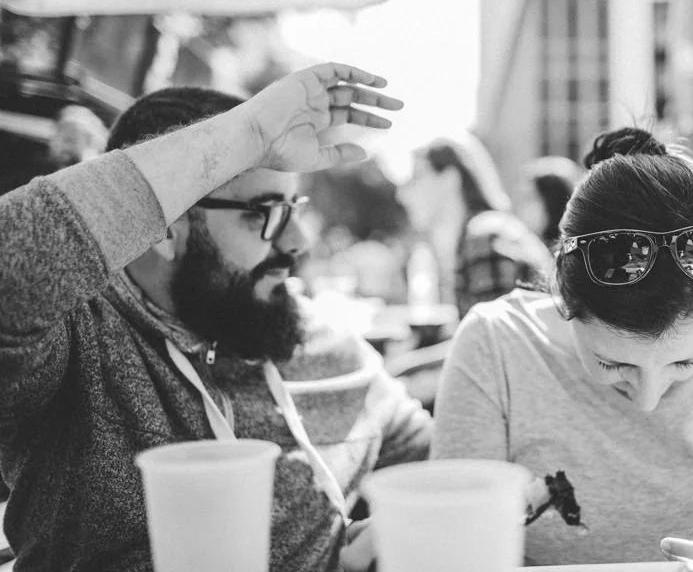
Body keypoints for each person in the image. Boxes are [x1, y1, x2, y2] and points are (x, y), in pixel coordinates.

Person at [0, 63, 431, 572]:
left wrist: (401, 527)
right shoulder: (76, 341)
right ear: (163, 226)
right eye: (265, 213)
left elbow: (443, 458)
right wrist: (246, 133)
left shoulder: (320, 341)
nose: (297, 243)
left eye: (295, 209)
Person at [430, 127, 693, 565]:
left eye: (685, 363)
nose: (648, 400)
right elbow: (451, 556)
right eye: (612, 364)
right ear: (564, 297)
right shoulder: (495, 346)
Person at [396, 133, 553, 320]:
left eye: (415, 177)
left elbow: (493, 335)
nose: (402, 194)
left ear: (449, 178)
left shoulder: (485, 237)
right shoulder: (480, 235)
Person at [515, 155, 585, 248]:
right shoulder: (533, 246)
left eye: (529, 198)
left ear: (552, 203)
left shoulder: (570, 250)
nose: (522, 207)